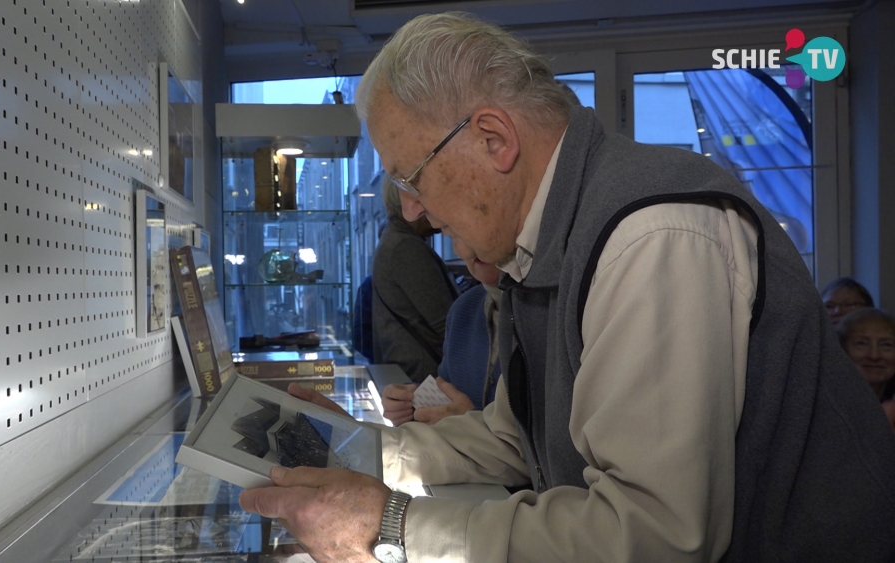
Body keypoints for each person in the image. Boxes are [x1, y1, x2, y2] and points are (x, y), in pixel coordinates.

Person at [240, 12, 895, 563]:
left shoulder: (649, 234)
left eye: (410, 177)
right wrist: (356, 452)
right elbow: (510, 435)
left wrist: (391, 524)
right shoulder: (545, 242)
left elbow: (653, 536)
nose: (410, 211)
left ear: (494, 139)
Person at [382, 236, 502, 425]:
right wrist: (410, 401)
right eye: (453, 233)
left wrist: (469, 426)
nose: (463, 250)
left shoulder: (549, 310)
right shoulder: (464, 309)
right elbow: (449, 391)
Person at [371, 179, 459, 383]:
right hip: (425, 376)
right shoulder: (405, 248)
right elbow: (447, 324)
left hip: (412, 371)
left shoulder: (395, 240)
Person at [836, 307, 895, 429]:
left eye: (886, 345)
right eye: (861, 343)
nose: (874, 355)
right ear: (843, 350)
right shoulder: (828, 407)